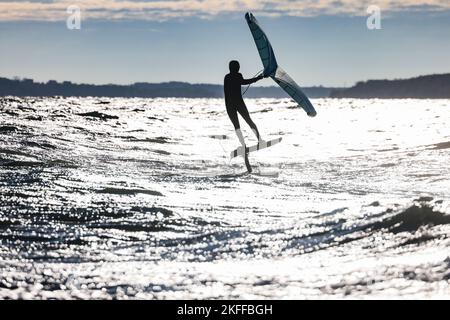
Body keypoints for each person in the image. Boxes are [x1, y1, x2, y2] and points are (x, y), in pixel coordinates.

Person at [224, 60, 265, 173]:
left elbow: (242, 82)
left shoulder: (228, 77)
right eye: (236, 67)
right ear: (234, 68)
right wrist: (258, 78)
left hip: (230, 105)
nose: (237, 69)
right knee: (247, 123)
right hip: (236, 104)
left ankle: (247, 145)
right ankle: (258, 141)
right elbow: (244, 81)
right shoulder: (235, 76)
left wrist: (258, 78)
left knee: (239, 127)